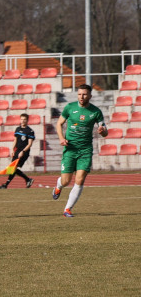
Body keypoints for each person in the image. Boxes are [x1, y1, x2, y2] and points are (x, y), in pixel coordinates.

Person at [51, 84, 108, 217]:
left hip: (85, 150)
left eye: (84, 94)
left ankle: (67, 209)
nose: (81, 97)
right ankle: (58, 186)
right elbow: (59, 123)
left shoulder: (96, 112)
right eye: (79, 94)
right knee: (66, 181)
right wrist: (61, 138)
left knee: (80, 179)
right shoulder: (70, 107)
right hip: (70, 149)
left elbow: (105, 132)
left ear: (90, 96)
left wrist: (102, 131)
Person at [0, 113, 35, 189]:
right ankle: (28, 179)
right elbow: (15, 140)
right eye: (21, 119)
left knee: (13, 168)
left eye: (24, 119)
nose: (23, 121)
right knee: (12, 168)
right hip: (17, 151)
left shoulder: (30, 131)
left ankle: (6, 185)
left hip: (24, 153)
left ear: (27, 120)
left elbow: (30, 144)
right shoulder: (17, 129)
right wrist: (12, 149)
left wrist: (23, 152)